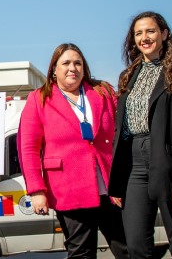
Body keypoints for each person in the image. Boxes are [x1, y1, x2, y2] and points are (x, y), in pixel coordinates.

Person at [17, 43, 128, 259]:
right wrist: (37, 191)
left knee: (129, 249)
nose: (72, 68)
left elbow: (122, 133)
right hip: (68, 189)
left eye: (78, 63)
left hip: (112, 188)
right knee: (81, 253)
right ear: (54, 70)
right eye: (65, 63)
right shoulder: (39, 99)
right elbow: (28, 148)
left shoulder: (103, 92)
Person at [109, 12, 172, 259]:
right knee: (137, 247)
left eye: (150, 31)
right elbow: (121, 130)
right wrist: (117, 177)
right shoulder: (126, 77)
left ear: (164, 34)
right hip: (133, 166)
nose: (144, 37)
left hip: (169, 164)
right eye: (138, 33)